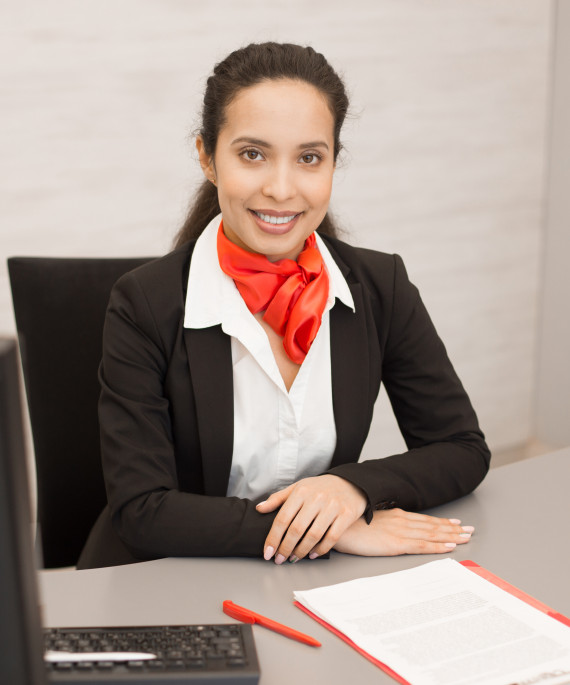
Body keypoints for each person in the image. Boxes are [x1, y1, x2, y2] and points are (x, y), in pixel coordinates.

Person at [78, 42, 490, 570]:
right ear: (207, 157)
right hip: (167, 576)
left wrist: (350, 490)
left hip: (309, 586)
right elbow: (142, 512)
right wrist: (327, 531)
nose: (281, 188)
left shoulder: (379, 285)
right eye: (253, 154)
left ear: (334, 163)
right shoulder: (144, 303)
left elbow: (460, 447)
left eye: (309, 158)